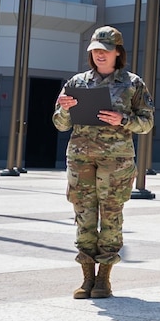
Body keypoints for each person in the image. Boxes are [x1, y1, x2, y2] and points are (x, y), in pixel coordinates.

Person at [53, 26, 154, 299]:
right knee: (84, 217)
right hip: (81, 158)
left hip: (116, 161)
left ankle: (104, 280)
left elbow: (147, 124)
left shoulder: (133, 84)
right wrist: (64, 108)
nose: (99, 55)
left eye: (105, 50)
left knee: (110, 217)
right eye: (95, 50)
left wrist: (122, 120)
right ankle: (86, 278)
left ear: (117, 52)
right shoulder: (76, 83)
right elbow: (60, 125)